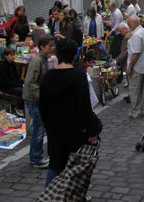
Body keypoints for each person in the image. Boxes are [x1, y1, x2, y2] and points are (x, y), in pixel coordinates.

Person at [39, 38, 100, 191]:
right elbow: (86, 108)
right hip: (75, 129)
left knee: (55, 163)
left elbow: (43, 107)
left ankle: (49, 195)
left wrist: (48, 125)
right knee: (75, 165)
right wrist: (92, 131)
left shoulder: (47, 77)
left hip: (55, 128)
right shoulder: (78, 76)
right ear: (74, 55)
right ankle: (73, 196)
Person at [23, 34, 54, 168]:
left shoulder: (43, 59)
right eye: (49, 46)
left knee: (39, 128)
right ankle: (36, 158)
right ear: (42, 47)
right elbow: (31, 83)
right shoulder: (37, 61)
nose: (52, 48)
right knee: (39, 129)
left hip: (36, 98)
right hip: (34, 99)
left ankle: (35, 155)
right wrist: (42, 96)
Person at [126, 15, 144, 119]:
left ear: (134, 23)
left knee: (134, 90)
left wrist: (130, 67)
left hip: (138, 66)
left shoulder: (136, 35)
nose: (128, 25)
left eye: (129, 23)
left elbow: (135, 53)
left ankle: (134, 111)